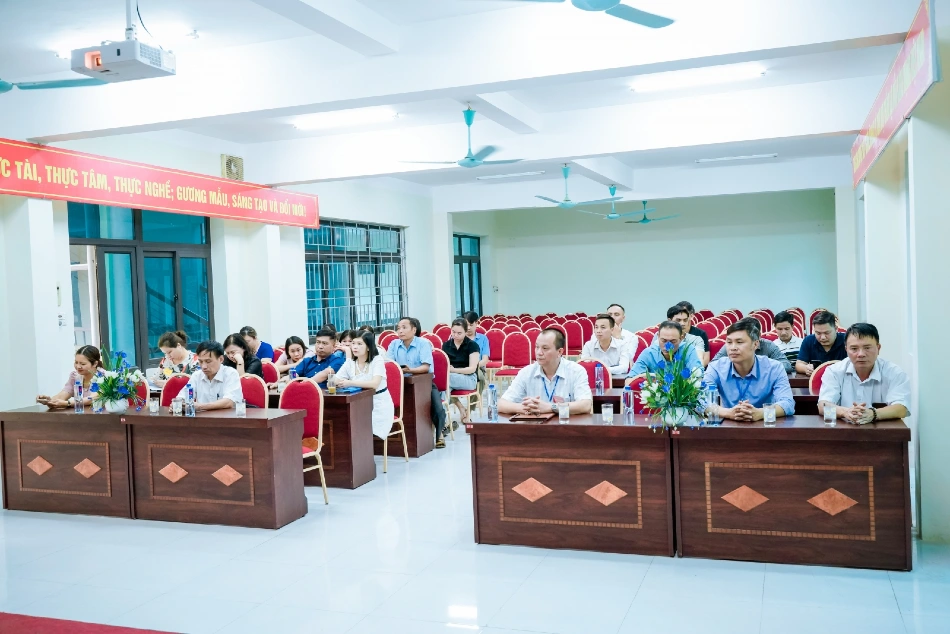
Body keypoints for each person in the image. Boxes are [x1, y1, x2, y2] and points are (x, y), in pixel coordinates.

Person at [817, 323, 910, 424]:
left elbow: (902, 409)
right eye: (854, 349)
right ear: (846, 350)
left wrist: (873, 414)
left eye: (867, 348)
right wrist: (845, 412)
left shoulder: (894, 373)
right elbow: (822, 407)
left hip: (881, 431)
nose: (861, 354)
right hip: (843, 430)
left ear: (878, 348)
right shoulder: (834, 371)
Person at [704, 320, 794, 422]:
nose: (733, 348)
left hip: (764, 426)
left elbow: (788, 404)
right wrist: (728, 413)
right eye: (729, 342)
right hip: (729, 425)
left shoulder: (774, 368)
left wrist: (761, 413)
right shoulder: (716, 368)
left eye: (739, 342)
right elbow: (701, 401)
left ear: (755, 344)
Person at [498, 328, 593, 417]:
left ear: (559, 352)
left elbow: (586, 405)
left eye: (545, 348)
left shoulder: (576, 371)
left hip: (565, 425)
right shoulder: (526, 372)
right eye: (537, 347)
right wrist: (525, 408)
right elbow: (501, 404)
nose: (539, 352)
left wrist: (551, 407)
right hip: (535, 426)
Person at [387, 316, 448, 448]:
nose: (400, 331)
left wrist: (411, 370)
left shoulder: (423, 344)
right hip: (401, 384)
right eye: (398, 328)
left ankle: (439, 434)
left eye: (404, 327)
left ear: (414, 330)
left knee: (437, 407)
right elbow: (389, 364)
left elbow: (425, 367)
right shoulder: (394, 344)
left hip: (424, 383)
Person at [335, 331, 394, 439]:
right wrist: (335, 380)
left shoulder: (377, 360)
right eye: (353, 343)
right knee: (344, 425)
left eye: (359, 344)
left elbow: (374, 384)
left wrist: (350, 382)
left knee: (361, 429)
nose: (355, 347)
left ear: (368, 347)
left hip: (378, 404)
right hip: (358, 403)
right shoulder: (350, 362)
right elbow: (335, 380)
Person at [174, 340, 242, 411]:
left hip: (226, 417)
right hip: (202, 417)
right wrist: (177, 404)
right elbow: (182, 397)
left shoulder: (231, 373)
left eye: (208, 361)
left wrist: (200, 406)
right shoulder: (197, 375)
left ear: (221, 359)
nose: (204, 367)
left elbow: (229, 402)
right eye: (200, 361)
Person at [627, 321, 703, 381]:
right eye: (663, 340)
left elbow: (698, 375)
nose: (667, 346)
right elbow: (629, 381)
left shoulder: (688, 350)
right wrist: (647, 376)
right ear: (658, 337)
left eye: (673, 341)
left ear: (681, 338)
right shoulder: (649, 353)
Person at [711, 318, 792, 373]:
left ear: (758, 336)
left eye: (740, 342)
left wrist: (759, 369)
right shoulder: (731, 346)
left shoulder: (768, 345)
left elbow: (786, 365)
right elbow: (713, 365)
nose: (733, 347)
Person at [36, 345, 104, 409]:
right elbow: (64, 394)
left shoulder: (104, 377)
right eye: (76, 362)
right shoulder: (75, 376)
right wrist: (49, 401)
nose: (78, 366)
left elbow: (92, 399)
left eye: (83, 364)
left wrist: (67, 403)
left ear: (95, 364)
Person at [442, 318, 481, 424]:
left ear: (465, 332)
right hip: (451, 379)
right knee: (443, 389)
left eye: (459, 333)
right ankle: (447, 420)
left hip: (469, 379)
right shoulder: (446, 345)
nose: (455, 335)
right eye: (453, 332)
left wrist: (454, 370)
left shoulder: (472, 345)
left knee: (443, 382)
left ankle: (442, 422)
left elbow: (472, 369)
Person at [796, 310, 847, 376]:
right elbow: (799, 364)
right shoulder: (808, 340)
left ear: (836, 329)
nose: (822, 337)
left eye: (827, 333)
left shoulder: (846, 340)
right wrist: (806, 368)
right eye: (818, 333)